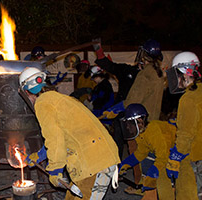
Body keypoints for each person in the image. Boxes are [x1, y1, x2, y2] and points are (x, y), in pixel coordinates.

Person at [19, 67, 120, 199]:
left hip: (94, 163)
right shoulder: (60, 99)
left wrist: (55, 169)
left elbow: (54, 138)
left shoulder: (42, 103)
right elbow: (62, 136)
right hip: (98, 156)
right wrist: (39, 156)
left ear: (27, 91)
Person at [93, 39, 165, 189]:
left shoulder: (145, 75)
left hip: (138, 122)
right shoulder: (158, 73)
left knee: (138, 153)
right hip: (152, 120)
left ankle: (141, 185)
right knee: (147, 154)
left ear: (144, 55)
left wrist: (113, 110)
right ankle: (144, 184)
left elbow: (131, 101)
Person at [119, 104, 177, 199]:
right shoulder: (142, 133)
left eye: (130, 124)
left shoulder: (154, 131)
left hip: (176, 151)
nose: (128, 128)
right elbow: (141, 152)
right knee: (147, 162)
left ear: (140, 121)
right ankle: (150, 196)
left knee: (162, 177)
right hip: (163, 153)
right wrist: (125, 164)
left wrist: (154, 172)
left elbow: (163, 157)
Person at [165, 51, 201, 200]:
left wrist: (175, 157)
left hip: (196, 155)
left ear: (184, 73)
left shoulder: (188, 98)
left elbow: (186, 133)